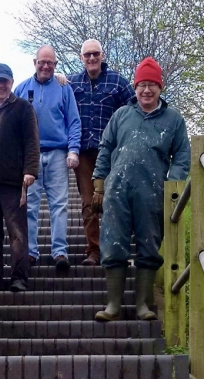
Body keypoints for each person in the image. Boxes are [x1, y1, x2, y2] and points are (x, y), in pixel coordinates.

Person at [92, 57, 190, 321]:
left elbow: (182, 154)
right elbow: (105, 148)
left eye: (152, 85)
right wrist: (99, 184)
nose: (146, 90)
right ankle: (113, 306)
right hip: (116, 191)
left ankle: (143, 306)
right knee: (113, 244)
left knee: (149, 245)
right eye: (142, 85)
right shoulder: (121, 115)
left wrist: (174, 182)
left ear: (160, 87)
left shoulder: (173, 120)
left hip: (153, 191)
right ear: (135, 88)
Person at [67, 39, 135, 266]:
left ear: (102, 55)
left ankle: (116, 249)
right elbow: (59, 105)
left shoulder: (118, 81)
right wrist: (58, 80)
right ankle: (94, 251)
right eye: (87, 55)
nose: (92, 58)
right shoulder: (73, 83)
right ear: (81, 58)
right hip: (84, 154)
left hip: (113, 153)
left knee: (114, 201)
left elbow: (135, 110)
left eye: (95, 54)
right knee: (88, 203)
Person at [14, 45, 81, 271]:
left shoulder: (64, 89)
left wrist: (73, 150)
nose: (45, 66)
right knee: (30, 206)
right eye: (42, 62)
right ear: (34, 62)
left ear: (55, 65)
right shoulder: (22, 88)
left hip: (58, 154)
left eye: (50, 63)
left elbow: (73, 121)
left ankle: (60, 251)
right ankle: (31, 251)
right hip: (30, 157)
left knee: (59, 205)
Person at [0, 63, 40, 292]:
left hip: (14, 183)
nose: (0, 85)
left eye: (5, 80)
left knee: (17, 233)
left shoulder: (23, 108)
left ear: (11, 82)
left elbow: (32, 141)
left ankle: (19, 279)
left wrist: (30, 170)